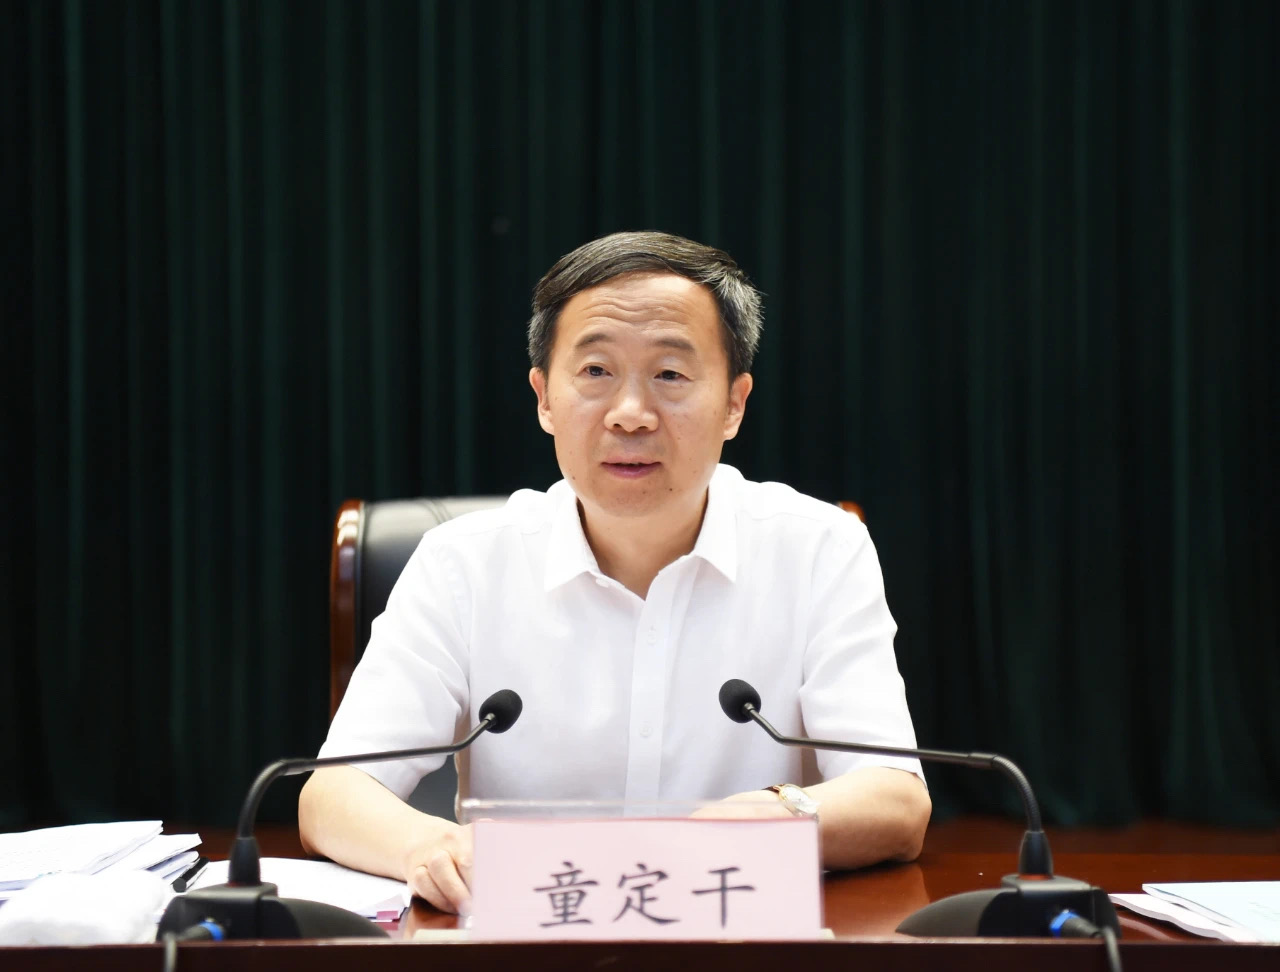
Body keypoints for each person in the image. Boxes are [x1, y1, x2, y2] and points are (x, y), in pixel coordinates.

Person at [298, 231, 931, 914]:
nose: (631, 414)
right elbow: (332, 795)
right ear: (544, 397)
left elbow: (895, 799)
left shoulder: (819, 551)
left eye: (671, 375)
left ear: (734, 403)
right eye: (596, 371)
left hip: (741, 937)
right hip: (527, 939)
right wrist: (428, 845)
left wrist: (784, 813)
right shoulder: (462, 565)